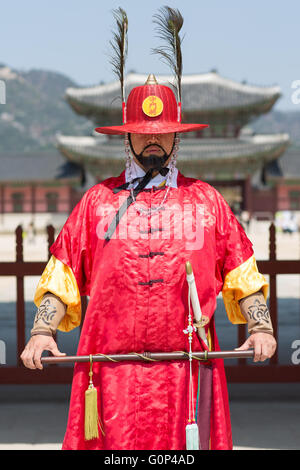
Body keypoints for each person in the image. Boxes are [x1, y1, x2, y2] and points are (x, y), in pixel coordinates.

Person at [20, 74, 276, 450]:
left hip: (186, 368)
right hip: (108, 368)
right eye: (142, 131)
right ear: (126, 136)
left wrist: (261, 327)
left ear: (177, 136)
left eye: (162, 131)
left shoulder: (206, 202)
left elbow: (242, 272)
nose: (152, 138)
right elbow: (64, 274)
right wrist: (43, 331)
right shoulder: (97, 202)